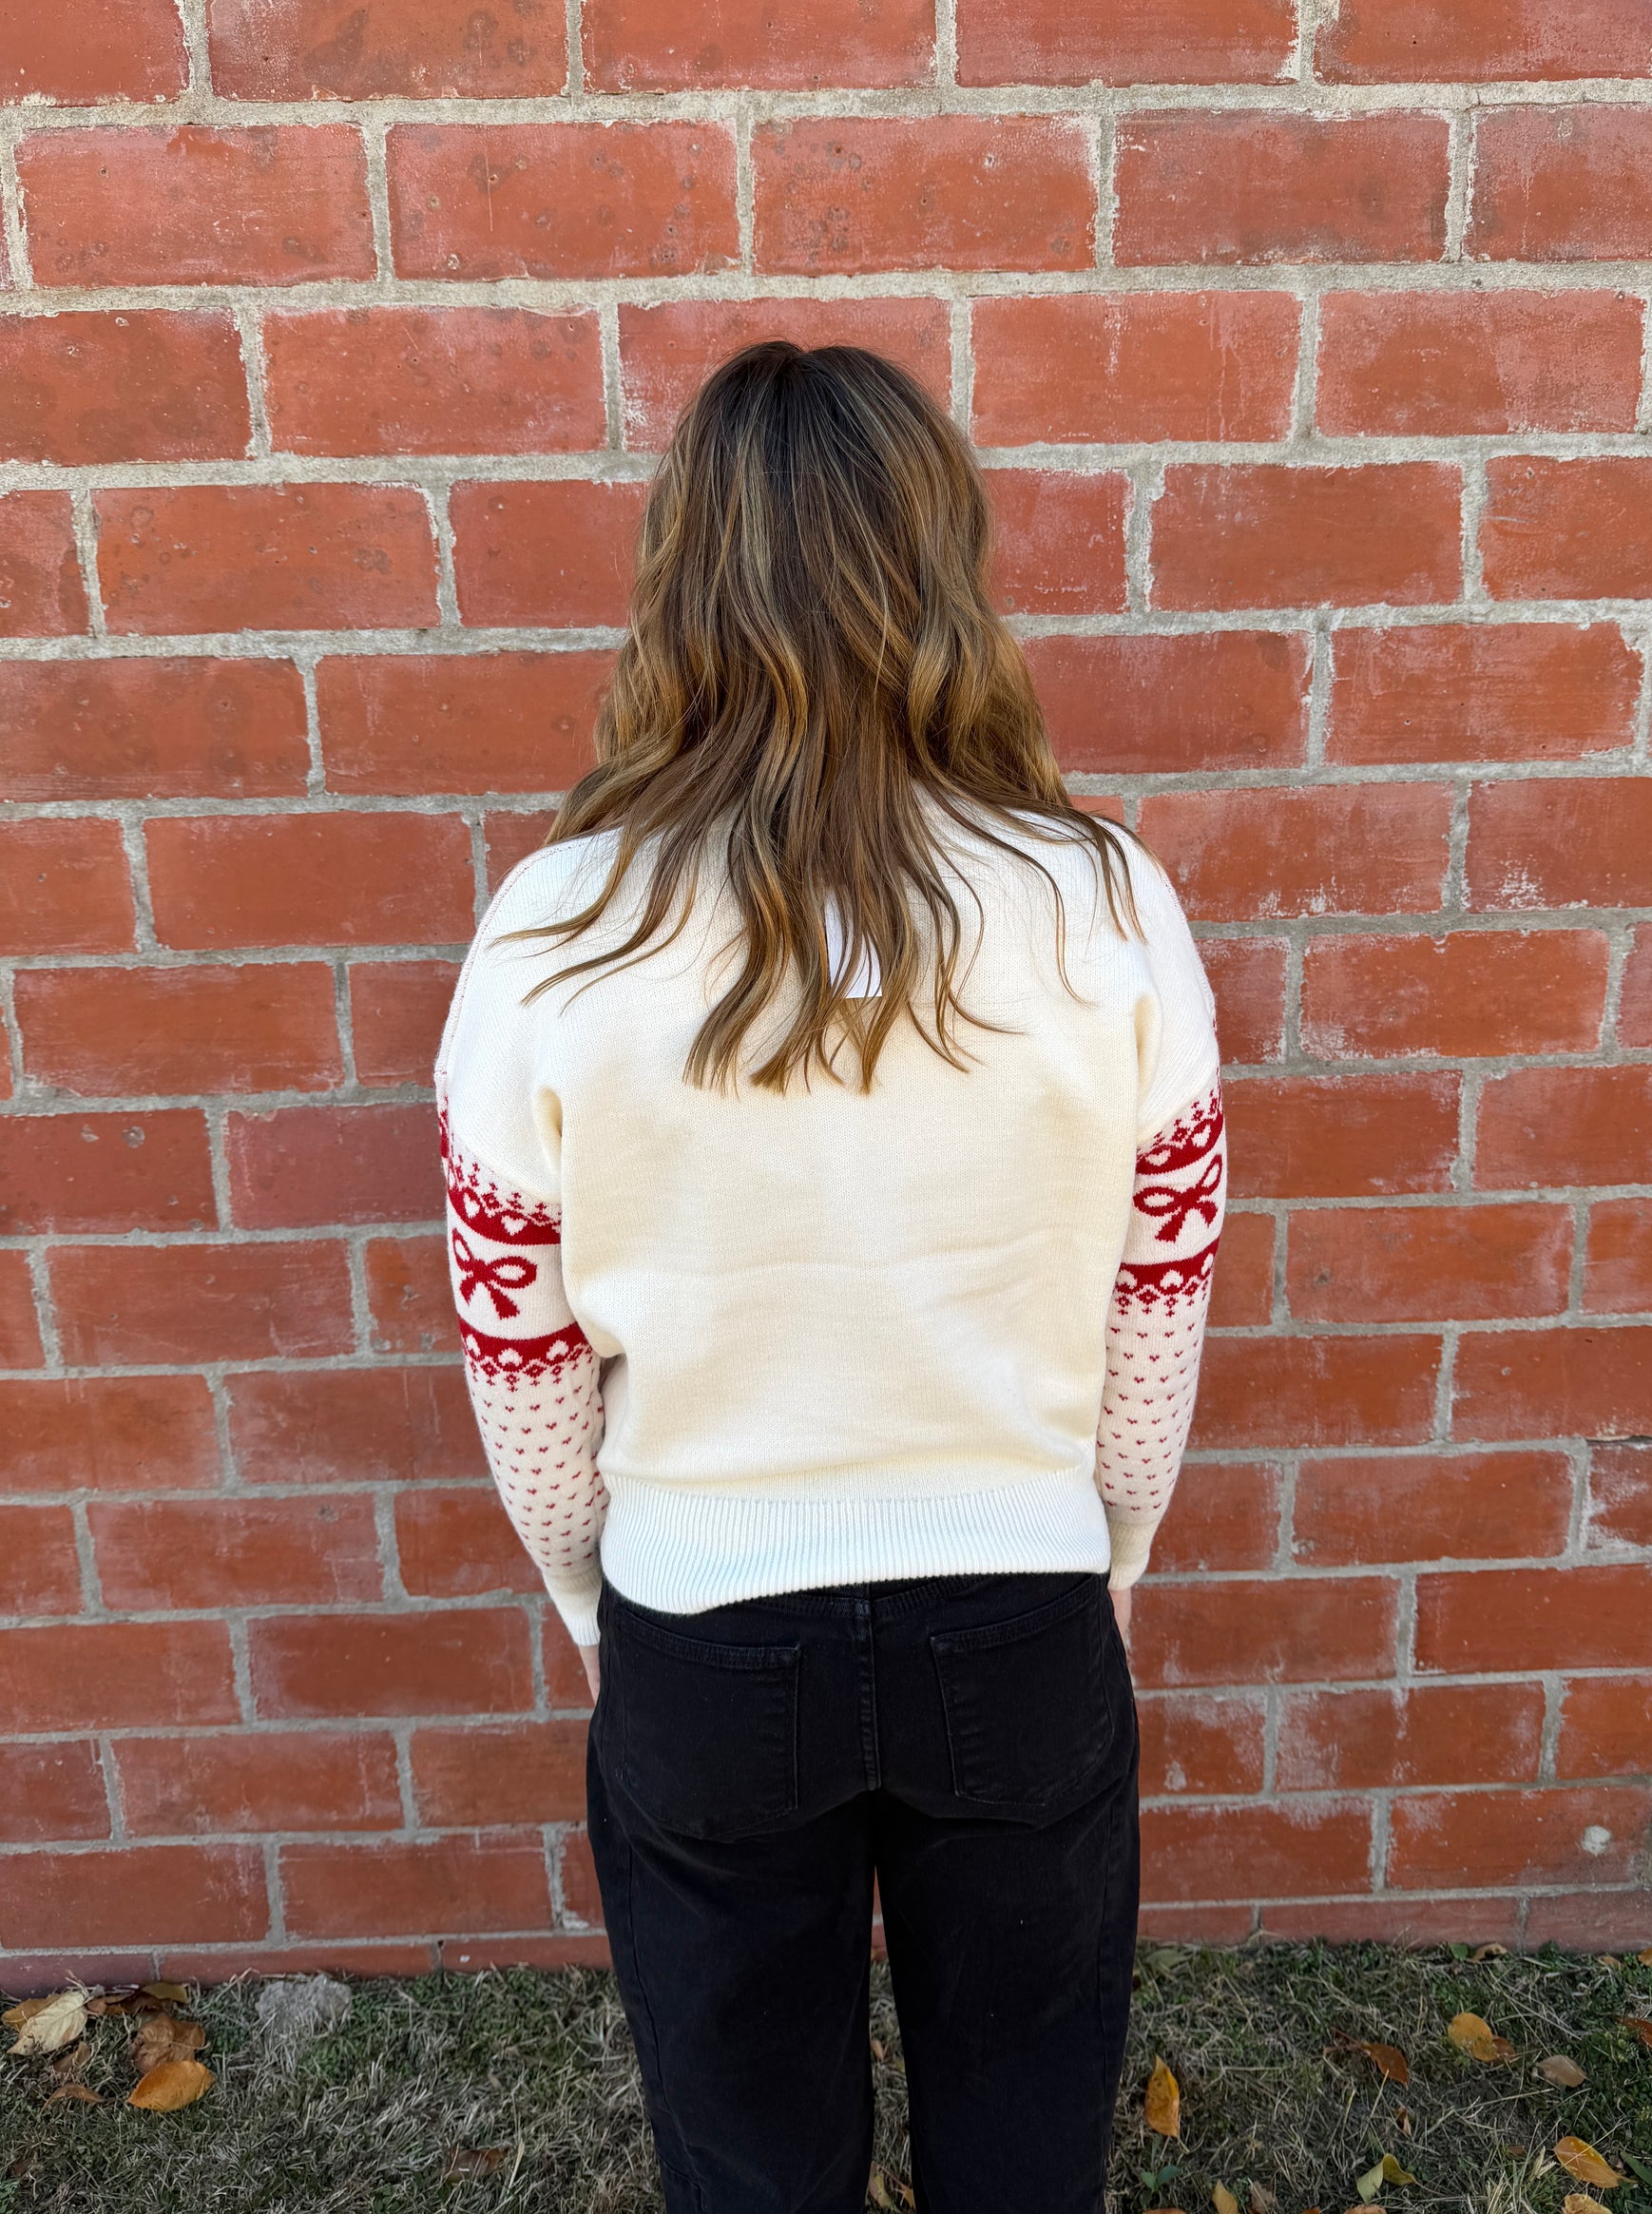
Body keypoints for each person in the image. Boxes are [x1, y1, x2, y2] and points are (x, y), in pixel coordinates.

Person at [434, 340, 1225, 2214]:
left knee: (749, 2150)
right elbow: (1156, 1309)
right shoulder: (1104, 905)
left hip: (704, 1639)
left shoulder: (551, 933)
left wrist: (602, 1601)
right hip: (1020, 1618)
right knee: (1023, 2144)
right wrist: (1099, 1561)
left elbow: (516, 1344)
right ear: (946, 562)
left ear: (677, 577)